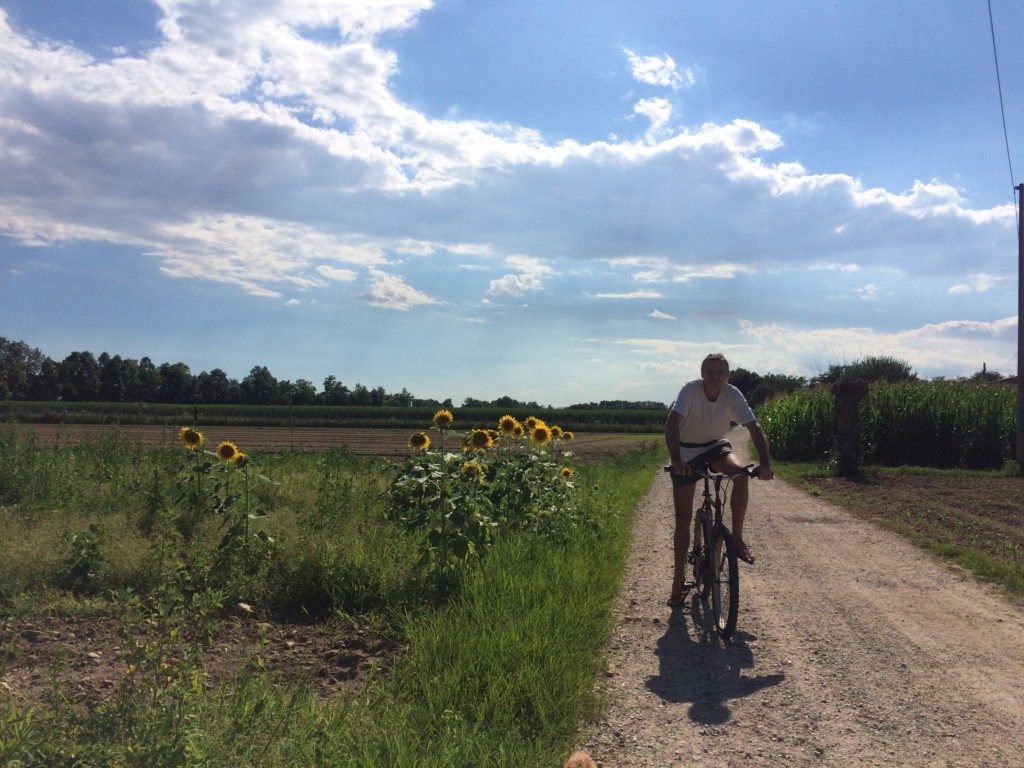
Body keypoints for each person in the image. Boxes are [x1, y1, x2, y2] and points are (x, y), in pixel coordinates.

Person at [665, 353, 774, 607]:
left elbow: (754, 427)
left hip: (715, 447)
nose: (715, 377)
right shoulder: (690, 390)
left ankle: (736, 538)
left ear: (727, 376)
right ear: (702, 372)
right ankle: (677, 580)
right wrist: (677, 460)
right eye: (710, 372)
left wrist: (766, 463)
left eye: (720, 372)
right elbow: (672, 423)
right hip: (686, 451)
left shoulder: (732, 393)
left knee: (741, 474)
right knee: (682, 519)